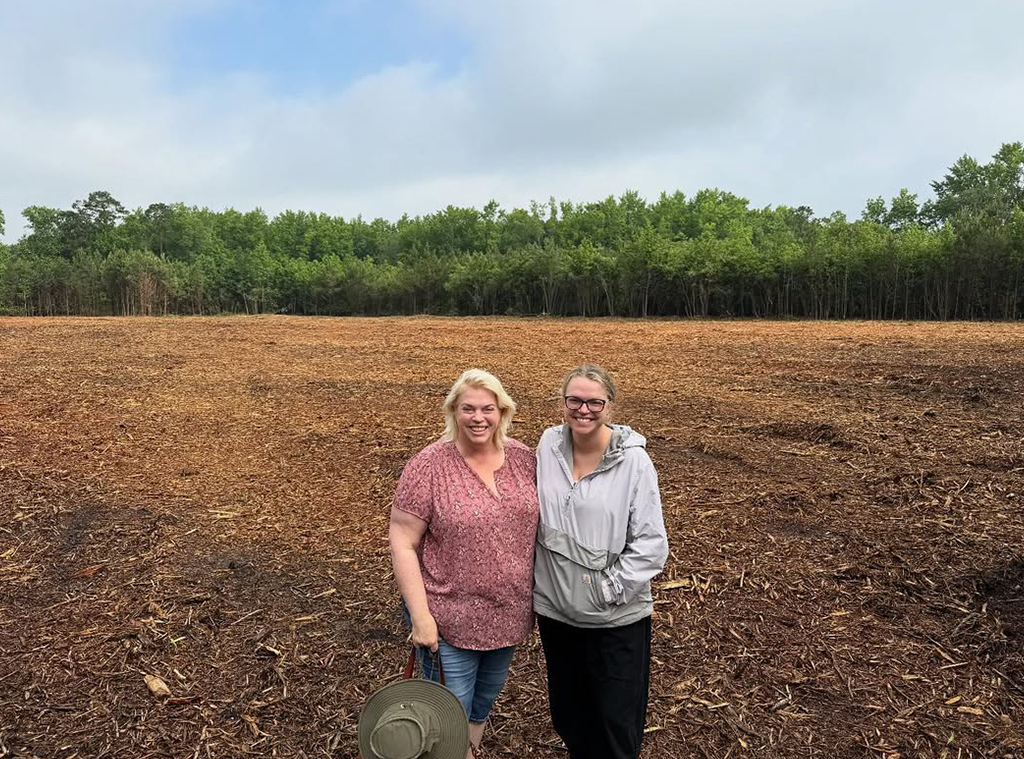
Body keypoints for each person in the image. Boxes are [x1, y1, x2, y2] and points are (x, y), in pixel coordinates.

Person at [389, 368, 538, 759]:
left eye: (488, 408)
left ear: (502, 411)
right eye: (468, 408)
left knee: (482, 702)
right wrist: (420, 617)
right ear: (453, 411)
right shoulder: (429, 466)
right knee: (448, 710)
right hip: (448, 616)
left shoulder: (524, 459)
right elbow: (403, 540)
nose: (478, 417)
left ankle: (465, 749)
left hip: (509, 612)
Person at [534, 364, 669, 759]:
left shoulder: (634, 463)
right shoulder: (547, 446)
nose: (584, 409)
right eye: (574, 400)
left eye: (595, 401)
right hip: (557, 615)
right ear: (562, 403)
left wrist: (606, 590)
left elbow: (651, 543)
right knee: (571, 717)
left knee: (615, 724)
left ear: (610, 406)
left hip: (613, 619)